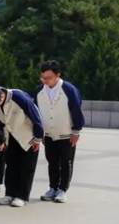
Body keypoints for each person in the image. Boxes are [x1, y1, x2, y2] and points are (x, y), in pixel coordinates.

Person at [0, 85, 43, 207]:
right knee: (11, 165)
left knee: (26, 167)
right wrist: (0, 139)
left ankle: (22, 196)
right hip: (11, 135)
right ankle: (10, 194)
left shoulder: (19, 97)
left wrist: (38, 137)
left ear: (2, 96)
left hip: (28, 135)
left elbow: (36, 116)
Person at [36, 60, 85, 203]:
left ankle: (62, 190)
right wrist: (40, 133)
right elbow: (37, 113)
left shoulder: (69, 89)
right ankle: (53, 188)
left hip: (66, 133)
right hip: (48, 134)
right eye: (43, 78)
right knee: (52, 162)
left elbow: (76, 110)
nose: (46, 81)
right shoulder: (39, 91)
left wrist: (76, 131)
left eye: (49, 78)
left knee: (66, 162)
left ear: (58, 75)